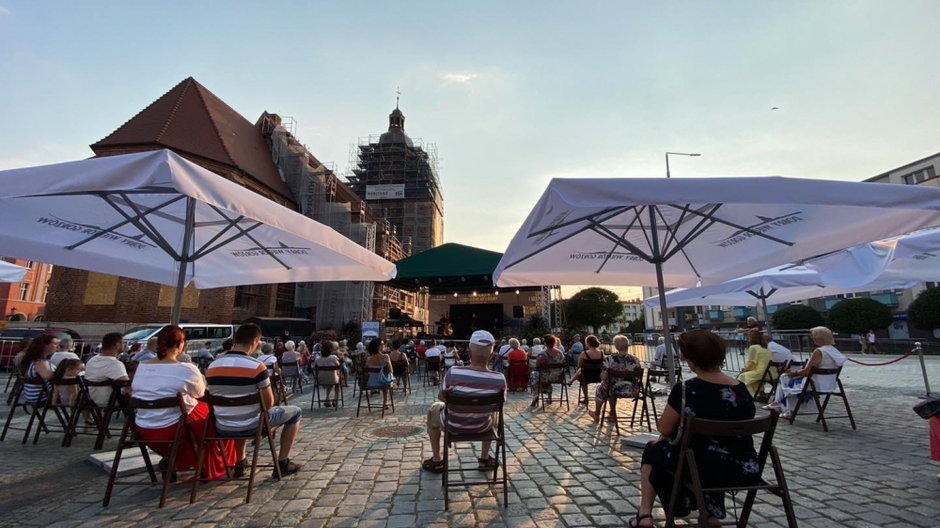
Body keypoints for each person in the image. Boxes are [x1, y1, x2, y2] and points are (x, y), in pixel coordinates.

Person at [632, 330, 760, 527]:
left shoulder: (686, 390)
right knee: (710, 452)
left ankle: (645, 515)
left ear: (690, 360)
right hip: (741, 466)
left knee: (653, 449)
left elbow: (665, 429)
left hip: (696, 466)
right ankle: (710, 514)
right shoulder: (741, 389)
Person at [131, 325, 235, 480]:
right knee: (220, 418)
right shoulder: (186, 368)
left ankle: (176, 462)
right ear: (181, 345)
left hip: (144, 428)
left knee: (197, 420)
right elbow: (201, 392)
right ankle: (212, 465)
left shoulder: (142, 366)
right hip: (174, 427)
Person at [205, 323, 302, 477]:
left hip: (222, 425)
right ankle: (283, 462)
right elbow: (268, 404)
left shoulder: (213, 366)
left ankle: (240, 460)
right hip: (252, 424)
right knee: (295, 412)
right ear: (255, 341)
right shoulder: (256, 366)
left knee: (240, 412)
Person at [421, 330, 506, 473]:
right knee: (494, 414)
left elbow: (442, 398)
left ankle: (436, 460)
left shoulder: (454, 372)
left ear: (469, 353)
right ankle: (484, 459)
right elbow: (498, 406)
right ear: (491, 356)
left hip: (452, 424)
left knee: (434, 408)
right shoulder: (499, 379)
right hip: (482, 426)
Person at [770, 326, 846, 419]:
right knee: (787, 378)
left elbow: (807, 371)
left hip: (815, 384)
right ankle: (779, 404)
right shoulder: (834, 351)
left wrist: (794, 373)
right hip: (829, 383)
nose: (811, 338)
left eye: (813, 336)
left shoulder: (819, 352)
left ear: (820, 337)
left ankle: (786, 408)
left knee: (785, 378)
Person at [592, 335, 642, 423]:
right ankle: (612, 413)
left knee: (603, 387)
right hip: (632, 390)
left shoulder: (610, 359)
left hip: (614, 390)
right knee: (609, 386)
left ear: (616, 346)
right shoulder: (635, 360)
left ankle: (597, 414)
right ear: (627, 345)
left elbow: (603, 377)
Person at [84, 332, 130, 408]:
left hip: (91, 399)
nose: (125, 345)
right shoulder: (115, 364)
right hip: (111, 400)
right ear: (117, 345)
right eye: (123, 343)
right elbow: (127, 384)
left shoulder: (92, 360)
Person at [18, 334, 57, 403]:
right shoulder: (41, 362)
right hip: (42, 397)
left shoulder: (30, 360)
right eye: (55, 344)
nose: (57, 346)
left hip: (31, 395)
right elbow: (50, 377)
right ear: (45, 346)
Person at [529, 334, 566, 407]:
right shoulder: (560, 353)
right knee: (546, 376)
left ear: (545, 343)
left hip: (545, 377)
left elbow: (537, 366)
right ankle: (549, 396)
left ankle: (535, 396)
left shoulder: (542, 354)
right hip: (558, 377)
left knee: (533, 375)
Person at [737, 330, 772, 395]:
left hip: (760, 372)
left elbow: (751, 363)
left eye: (748, 337)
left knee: (743, 376)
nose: (748, 339)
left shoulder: (753, 347)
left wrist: (746, 369)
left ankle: (742, 395)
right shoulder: (765, 348)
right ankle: (761, 394)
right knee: (752, 378)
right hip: (769, 372)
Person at [365, 338, 394, 408]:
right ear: (378, 346)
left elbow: (366, 372)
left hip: (371, 383)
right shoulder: (385, 357)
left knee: (382, 378)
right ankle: (385, 401)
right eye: (382, 344)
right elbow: (391, 370)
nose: (384, 345)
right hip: (382, 382)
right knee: (386, 378)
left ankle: (385, 401)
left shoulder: (369, 359)